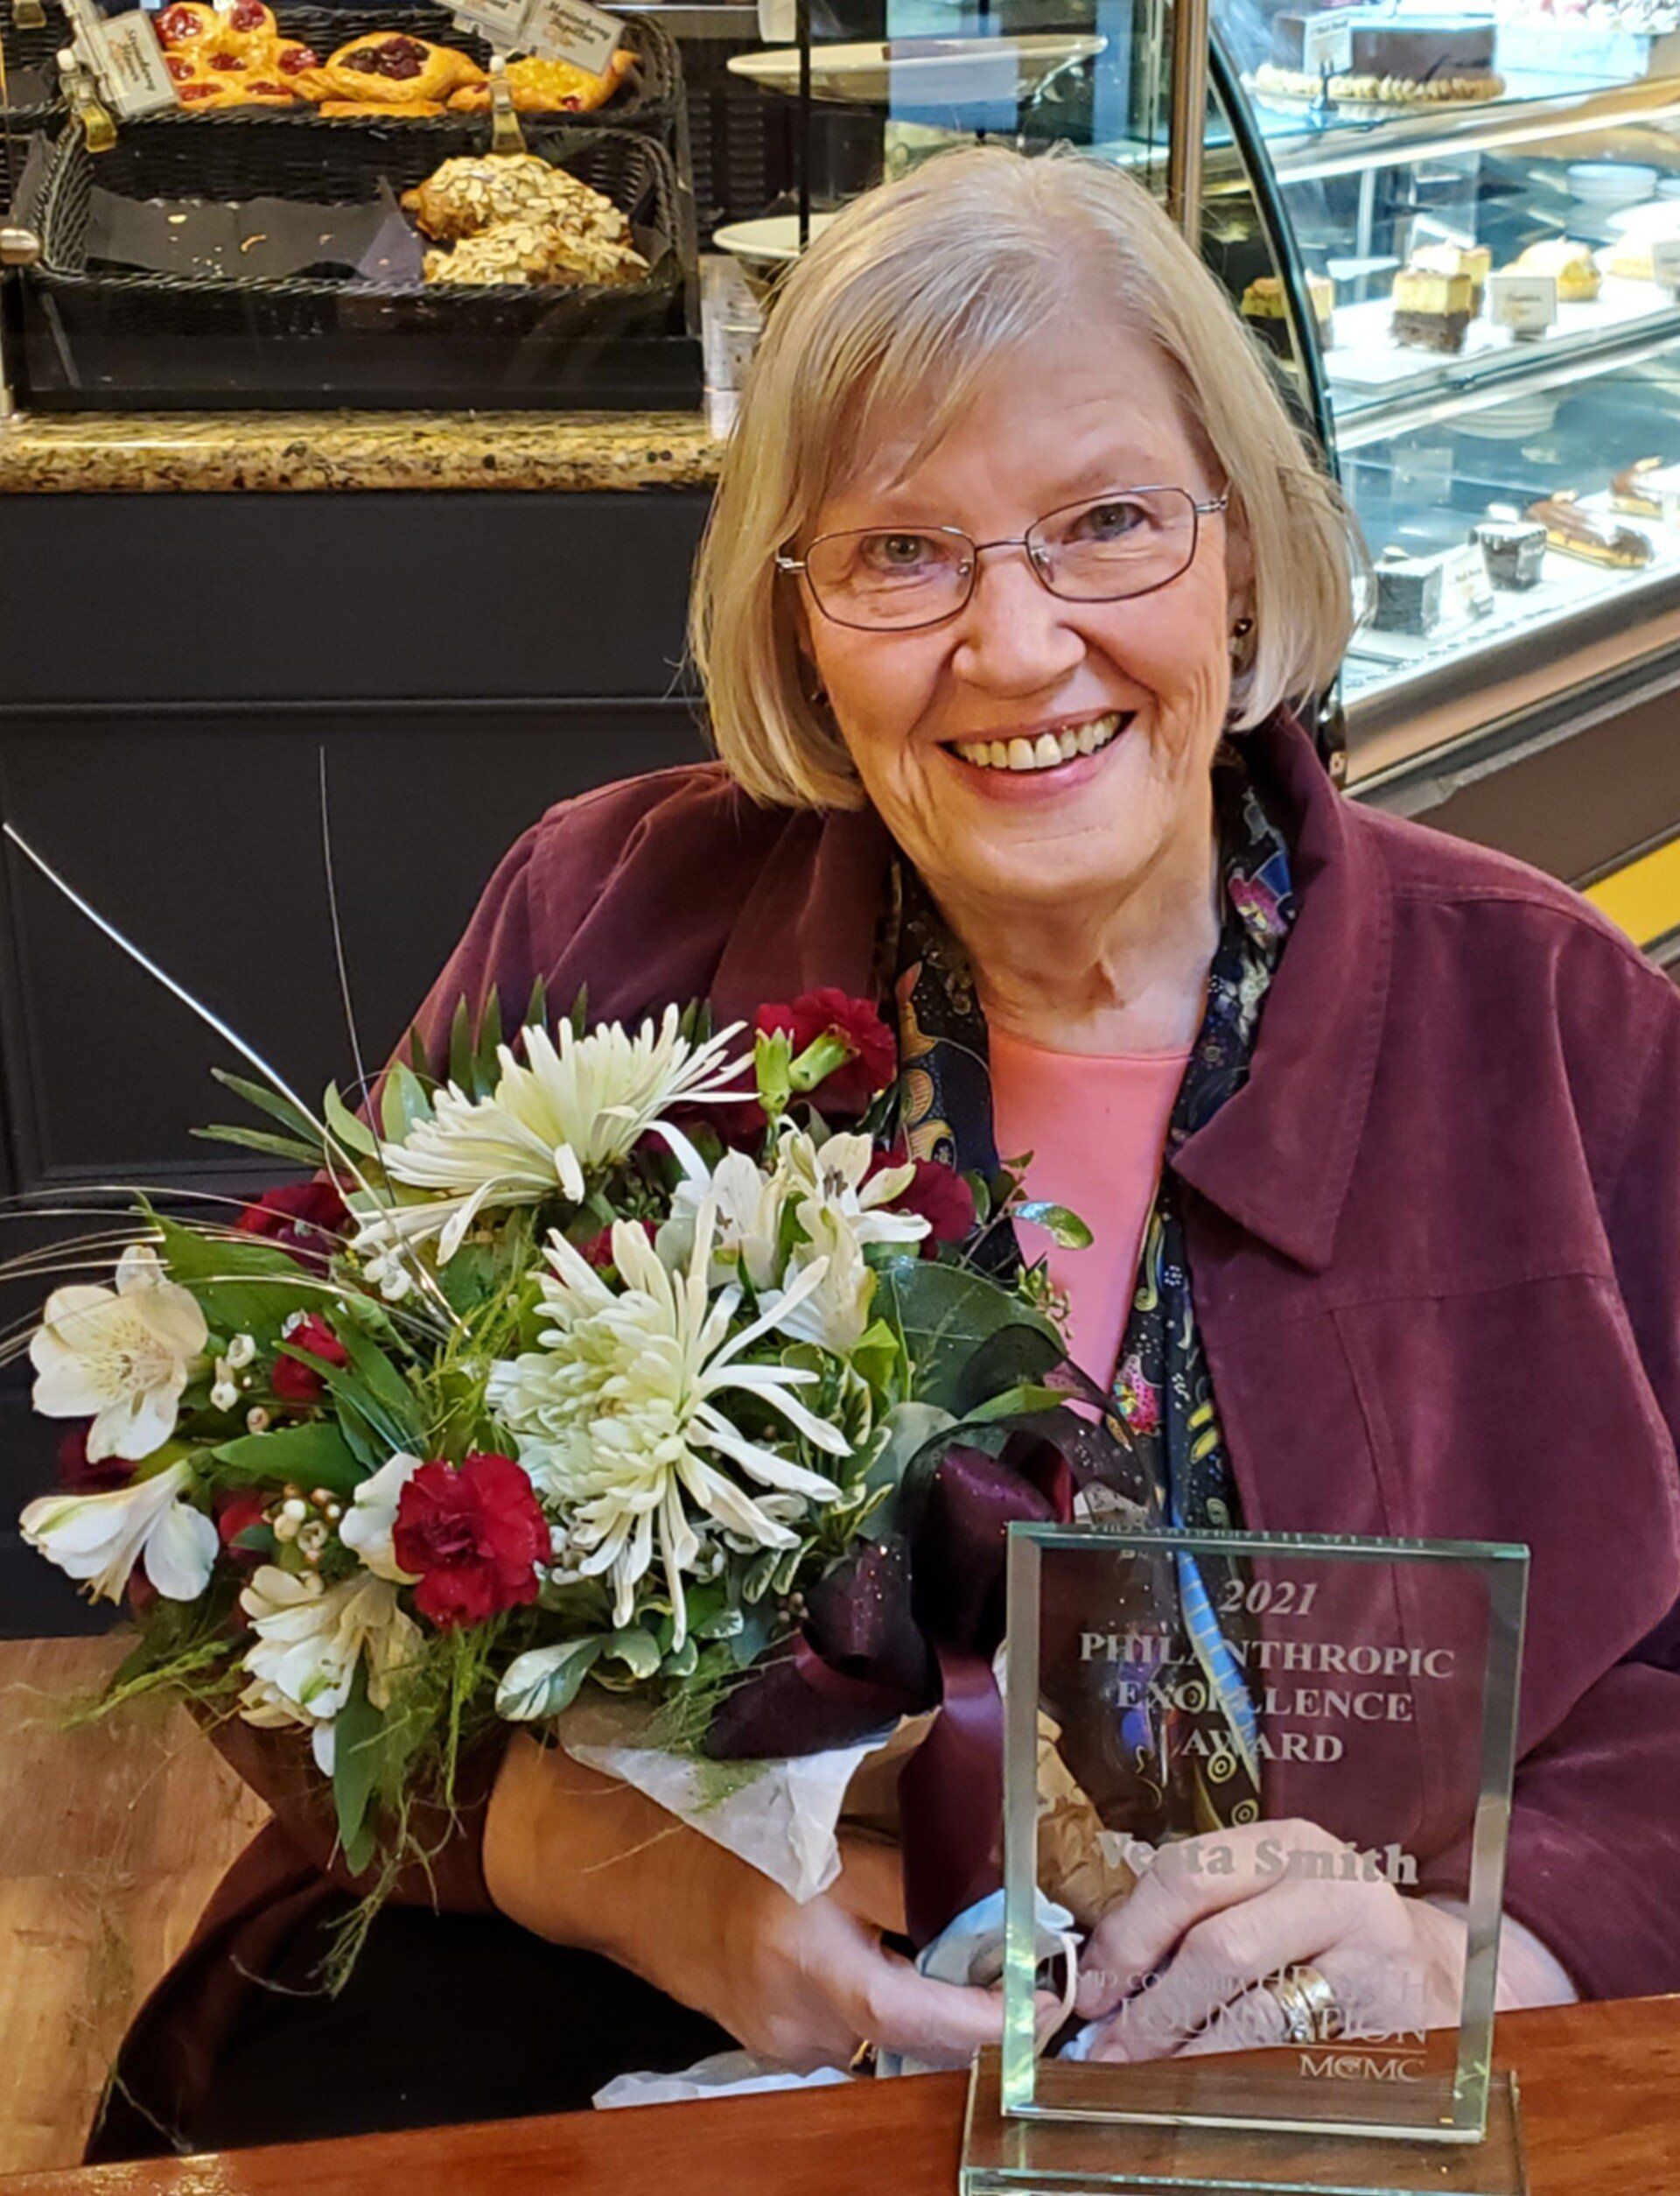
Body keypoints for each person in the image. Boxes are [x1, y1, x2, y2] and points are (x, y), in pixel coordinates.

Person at [88, 144, 1680, 2159]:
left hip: (1320, 2096)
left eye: (1108, 523)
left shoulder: (1547, 1016)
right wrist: (653, 1886)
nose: (1015, 649)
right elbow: (257, 1552)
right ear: (799, 622)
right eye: (903, 554)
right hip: (634, 2037)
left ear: (1250, 556)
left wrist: (1491, 1949)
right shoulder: (613, 926)